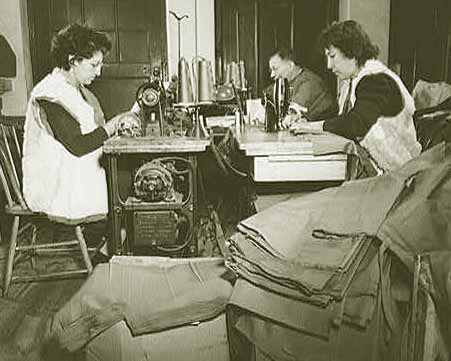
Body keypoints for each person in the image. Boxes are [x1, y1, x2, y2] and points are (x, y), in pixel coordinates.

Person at [22, 24, 137, 242]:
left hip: (73, 165)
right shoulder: (50, 92)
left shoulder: (77, 90)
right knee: (124, 179)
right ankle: (115, 242)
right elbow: (77, 145)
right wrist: (112, 126)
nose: (99, 71)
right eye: (94, 65)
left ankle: (117, 241)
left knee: (126, 170)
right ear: (73, 60)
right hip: (53, 179)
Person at [290, 20, 421, 173]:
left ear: (352, 52)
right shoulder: (353, 81)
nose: (329, 65)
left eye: (332, 56)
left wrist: (310, 127)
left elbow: (355, 124)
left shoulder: (376, 80)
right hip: (376, 169)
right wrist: (309, 124)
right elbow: (342, 120)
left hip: (401, 174)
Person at [264, 47, 337, 121]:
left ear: (290, 66)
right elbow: (265, 97)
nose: (272, 75)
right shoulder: (286, 82)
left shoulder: (310, 83)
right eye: (271, 70)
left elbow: (292, 114)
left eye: (275, 69)